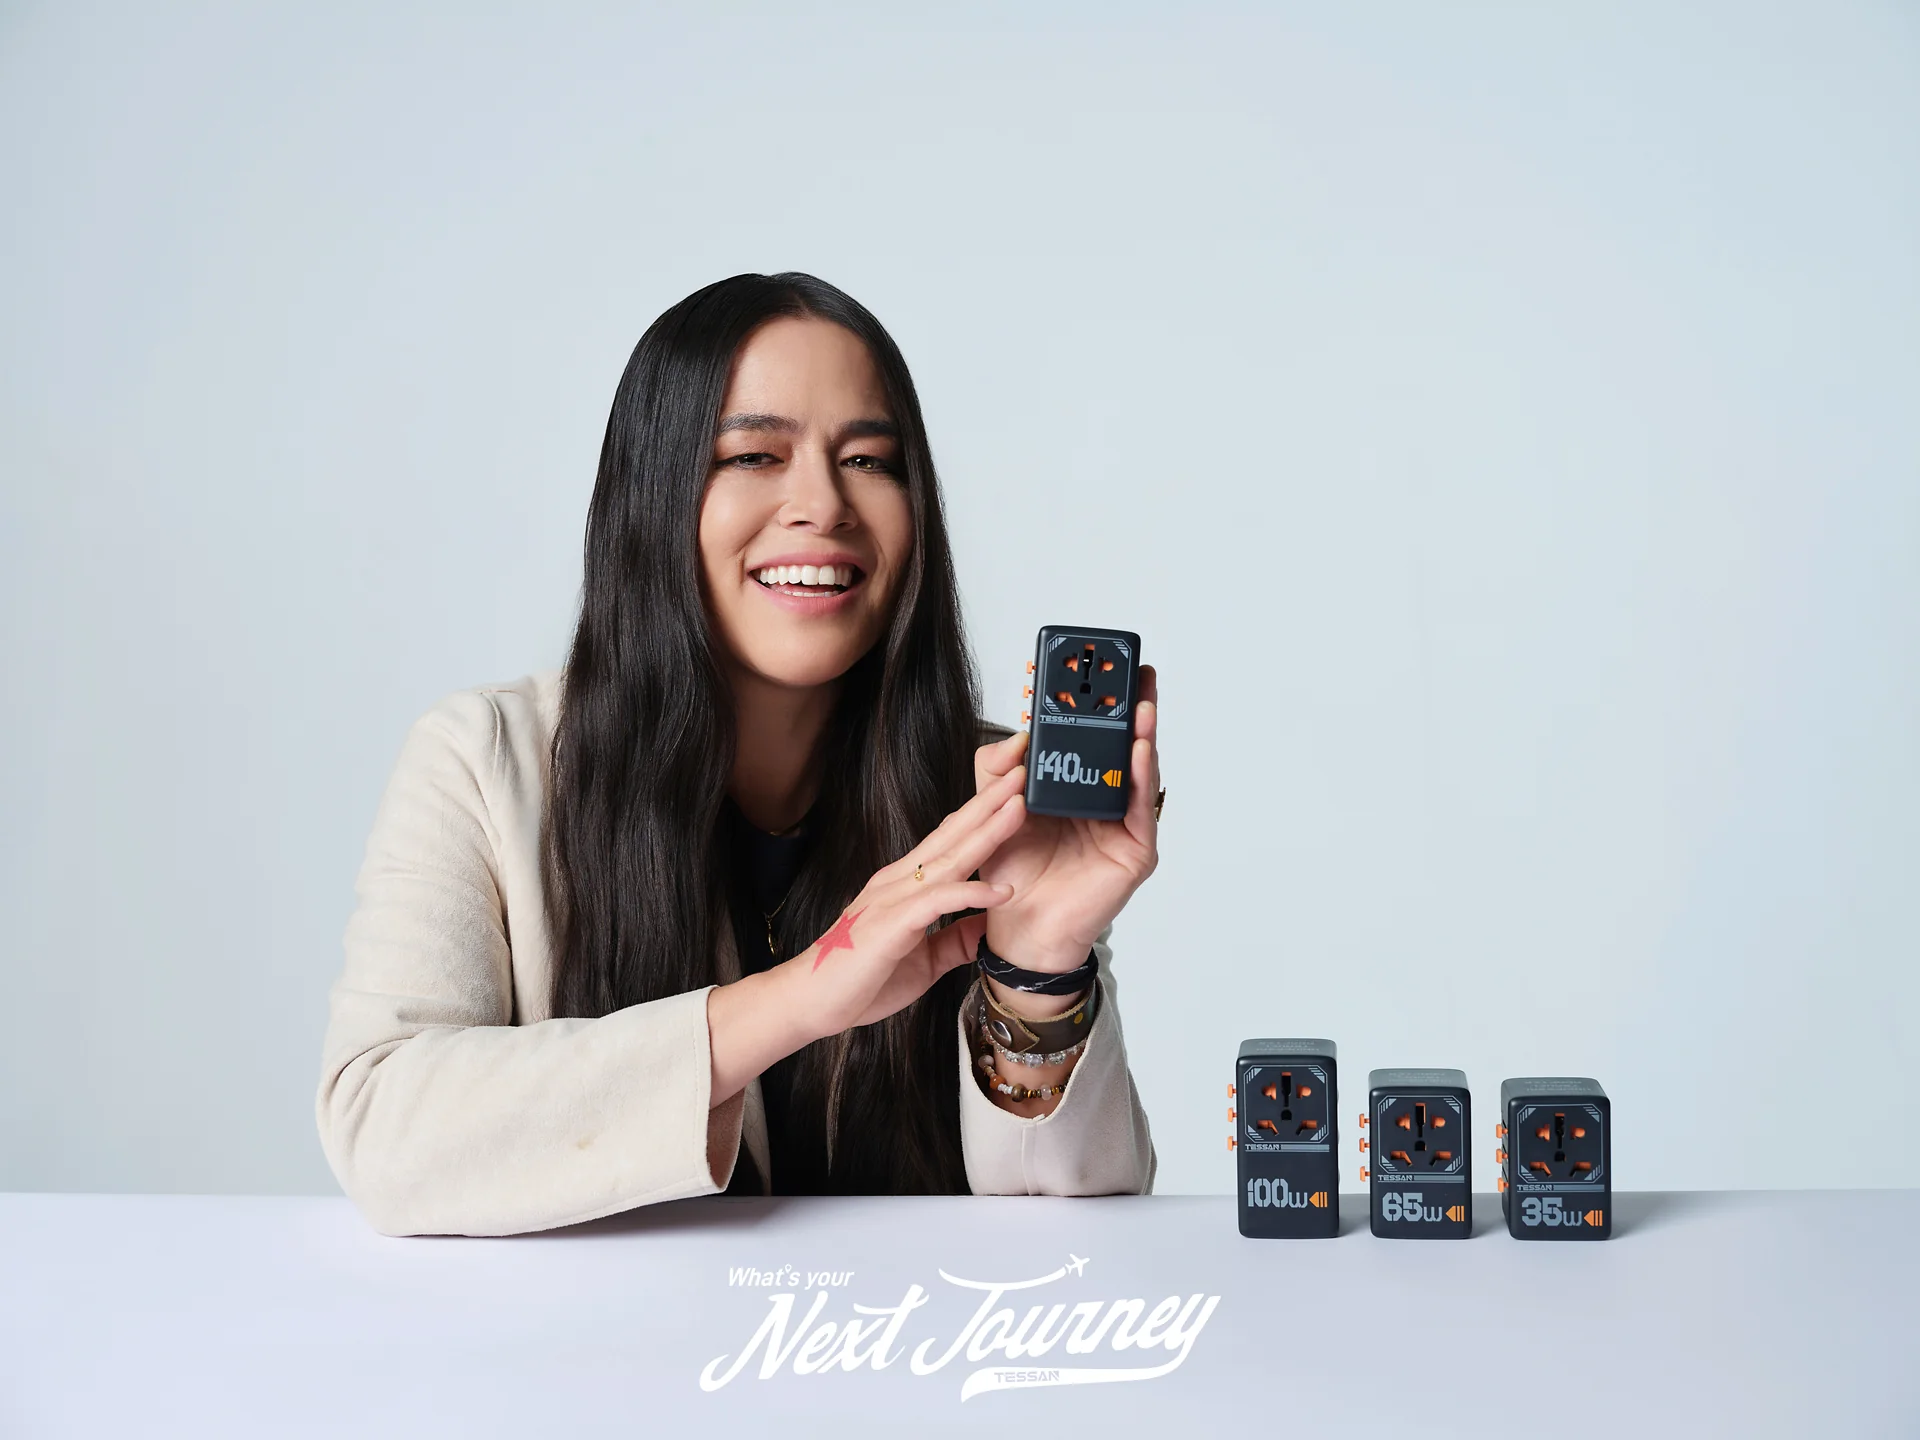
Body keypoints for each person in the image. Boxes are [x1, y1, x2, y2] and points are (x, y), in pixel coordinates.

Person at [316, 273, 1160, 1236]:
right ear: (652, 494)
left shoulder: (989, 799)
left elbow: (1081, 1242)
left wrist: (1041, 968)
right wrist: (799, 998)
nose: (823, 505)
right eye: (754, 454)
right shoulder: (483, 761)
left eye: (870, 460)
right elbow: (385, 1129)